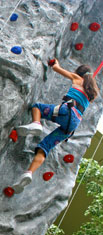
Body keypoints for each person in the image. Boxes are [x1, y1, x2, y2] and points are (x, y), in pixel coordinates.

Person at [13, 59, 99, 194]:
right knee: (45, 147)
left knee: (37, 108)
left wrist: (56, 64)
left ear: (79, 73)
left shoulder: (77, 78)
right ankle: (29, 173)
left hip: (66, 110)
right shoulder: (90, 95)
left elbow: (57, 69)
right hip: (72, 125)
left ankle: (36, 123)